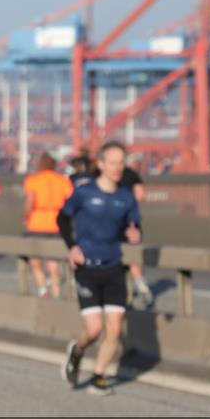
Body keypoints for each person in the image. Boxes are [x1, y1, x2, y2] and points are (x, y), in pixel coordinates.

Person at [58, 141, 142, 396]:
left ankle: (98, 376)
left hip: (114, 267)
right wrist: (72, 246)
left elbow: (133, 226)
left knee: (114, 329)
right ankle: (78, 350)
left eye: (121, 163)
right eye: (112, 163)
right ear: (102, 164)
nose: (117, 168)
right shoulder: (84, 192)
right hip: (87, 268)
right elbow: (62, 218)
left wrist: (133, 233)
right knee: (94, 329)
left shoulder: (126, 197)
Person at [23, 153, 73, 298]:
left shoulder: (33, 180)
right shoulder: (62, 180)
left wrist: (26, 217)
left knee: (35, 260)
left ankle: (43, 289)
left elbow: (30, 201)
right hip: (56, 223)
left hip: (36, 222)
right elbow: (70, 201)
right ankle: (56, 293)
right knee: (53, 262)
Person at [118, 159, 153, 308]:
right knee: (133, 258)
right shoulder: (131, 175)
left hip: (109, 223)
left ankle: (123, 295)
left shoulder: (102, 176)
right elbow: (140, 195)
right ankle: (142, 288)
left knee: (115, 260)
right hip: (130, 223)